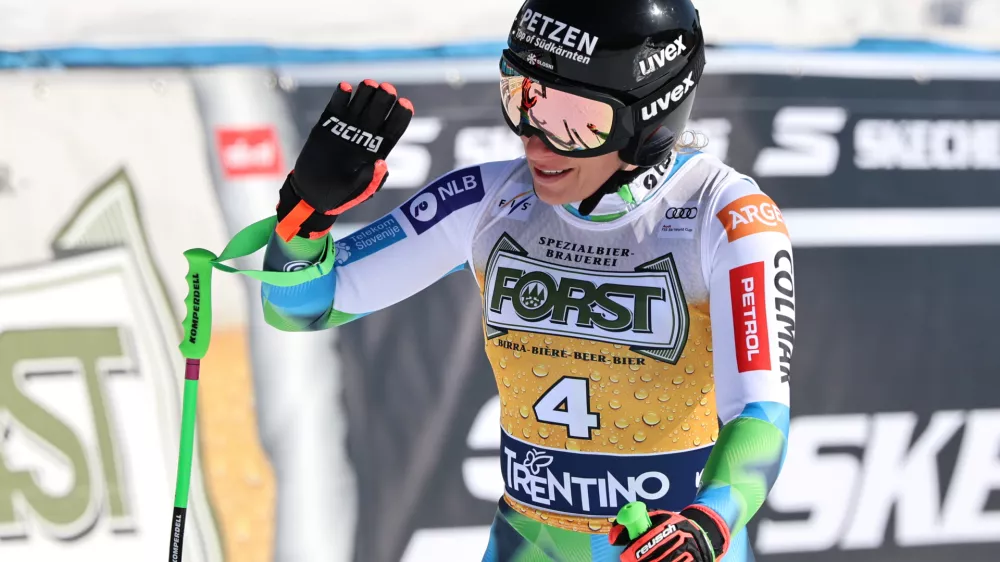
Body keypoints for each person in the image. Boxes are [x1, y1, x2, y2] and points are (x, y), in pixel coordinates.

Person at [258, 0, 794, 560]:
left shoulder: (724, 215)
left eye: (572, 118)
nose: (534, 140)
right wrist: (304, 218)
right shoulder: (487, 199)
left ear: (649, 116)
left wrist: (707, 524)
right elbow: (299, 306)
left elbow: (762, 413)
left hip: (664, 547)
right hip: (531, 541)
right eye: (523, 98)